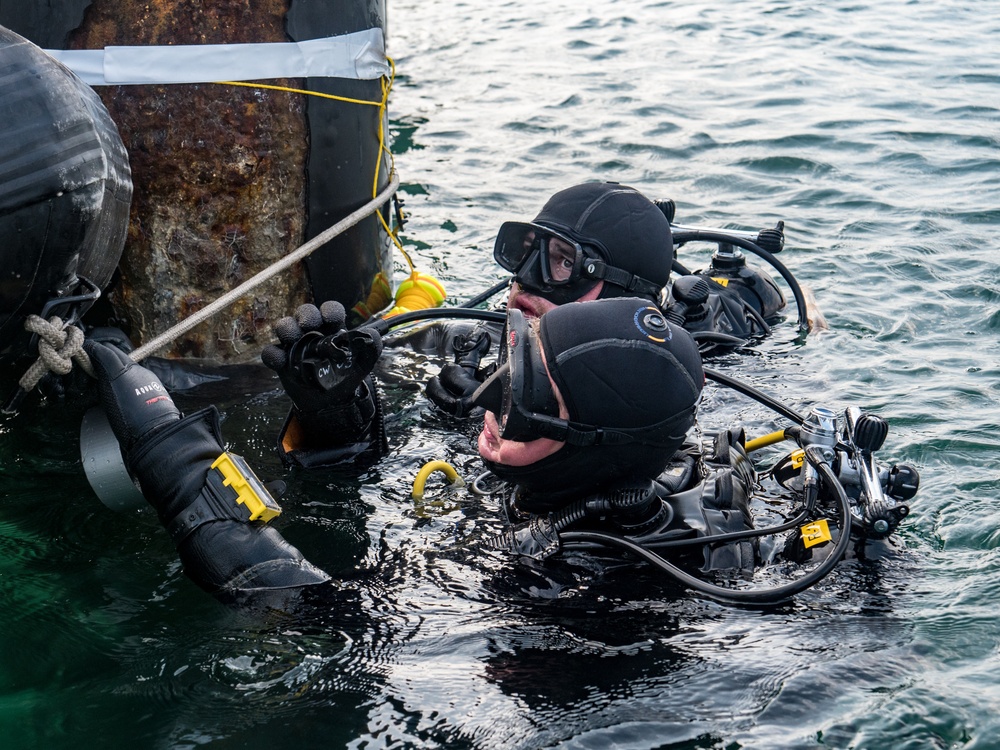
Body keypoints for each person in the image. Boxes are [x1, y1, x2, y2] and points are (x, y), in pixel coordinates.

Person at [83, 292, 917, 610]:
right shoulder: (620, 478)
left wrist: (177, 461)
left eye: (523, 397)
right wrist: (338, 420)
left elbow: (300, 606)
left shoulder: (569, 583)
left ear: (584, 444)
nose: (491, 404)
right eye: (509, 364)